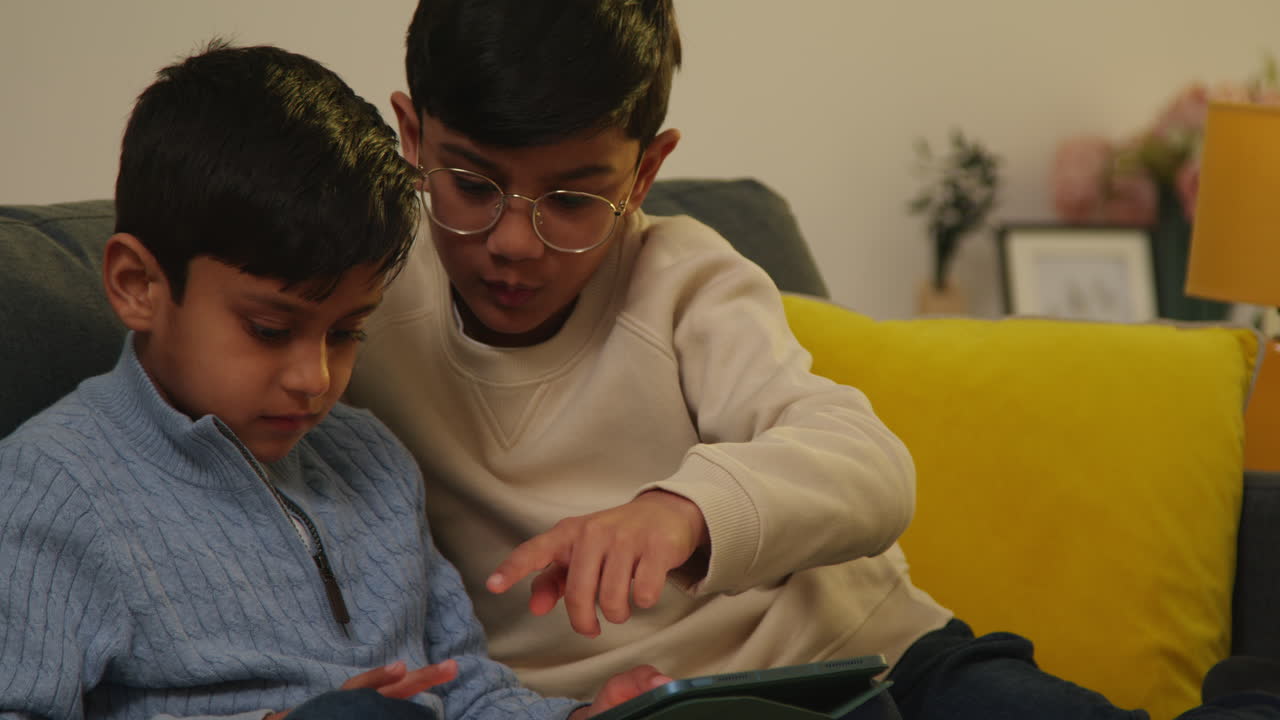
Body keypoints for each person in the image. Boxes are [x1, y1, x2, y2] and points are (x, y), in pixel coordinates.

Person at [341, 2, 1280, 719]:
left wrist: (682, 510)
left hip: (881, 662)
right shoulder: (352, 308)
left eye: (574, 201)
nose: (514, 241)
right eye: (471, 186)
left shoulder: (683, 277)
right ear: (413, 136)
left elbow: (871, 466)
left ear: (644, 172)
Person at [0, 40, 668, 720]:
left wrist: (581, 719)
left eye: (347, 332)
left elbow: (466, 691)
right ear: (137, 284)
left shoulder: (371, 457)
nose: (315, 379)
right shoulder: (54, 489)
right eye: (269, 329)